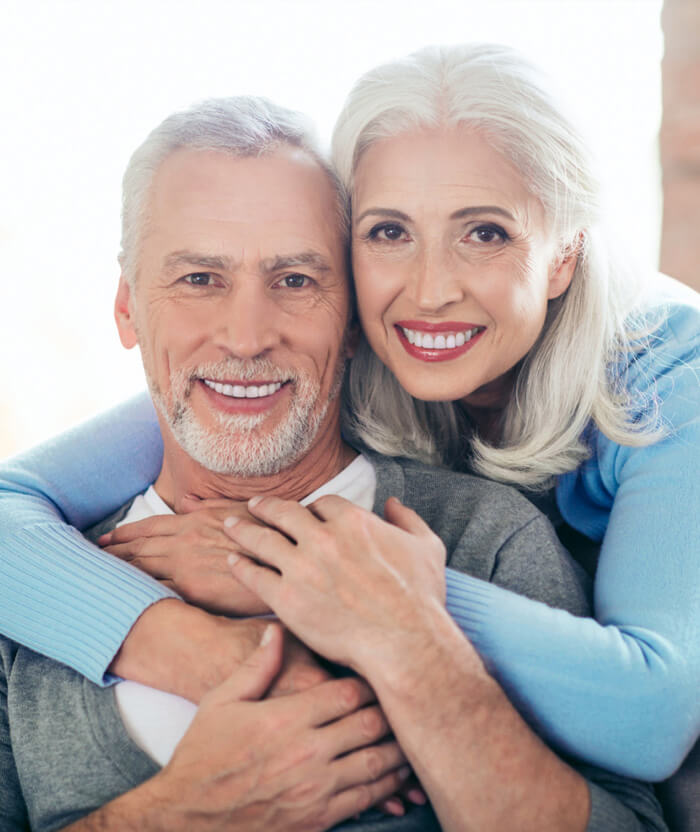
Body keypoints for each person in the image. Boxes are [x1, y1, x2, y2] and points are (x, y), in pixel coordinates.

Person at [0, 40, 697, 819]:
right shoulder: (307, 364)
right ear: (129, 307)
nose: (430, 291)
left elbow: (654, 715)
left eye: (487, 232)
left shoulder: (663, 379)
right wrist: (184, 757)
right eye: (389, 232)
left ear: (565, 253)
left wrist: (319, 583)